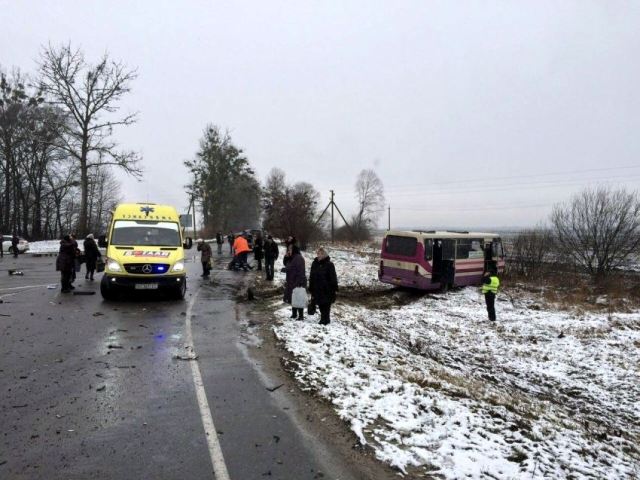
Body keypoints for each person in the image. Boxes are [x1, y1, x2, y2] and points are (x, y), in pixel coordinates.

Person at [309, 247, 339, 325]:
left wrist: (334, 288)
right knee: (320, 304)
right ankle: (324, 318)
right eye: (317, 253)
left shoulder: (329, 264)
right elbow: (311, 276)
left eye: (319, 253)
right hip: (317, 288)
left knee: (326, 304)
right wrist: (311, 287)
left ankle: (325, 319)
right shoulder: (314, 263)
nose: (318, 255)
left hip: (327, 289)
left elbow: (333, 277)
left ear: (324, 254)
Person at [284, 245, 306, 320]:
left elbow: (300, 271)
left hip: (297, 281)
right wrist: (286, 257)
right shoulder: (292, 257)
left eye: (290, 249)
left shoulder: (298, 258)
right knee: (293, 298)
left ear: (294, 250)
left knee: (299, 298)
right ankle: (294, 314)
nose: (289, 251)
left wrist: (299, 282)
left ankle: (301, 315)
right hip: (291, 280)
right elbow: (287, 265)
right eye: (288, 249)